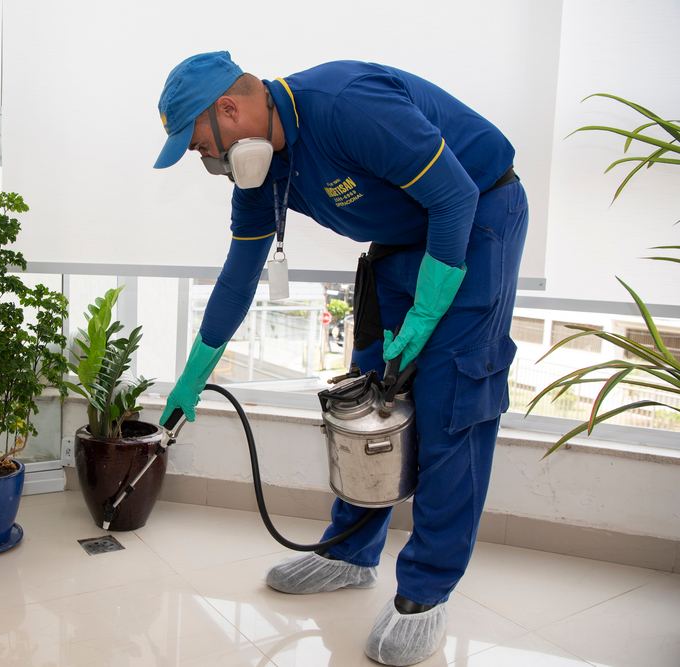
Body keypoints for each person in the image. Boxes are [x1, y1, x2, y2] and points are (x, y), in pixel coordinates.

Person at [154, 52, 528, 667]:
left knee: (453, 400)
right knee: (366, 400)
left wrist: (429, 311)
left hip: (478, 216)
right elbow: (239, 275)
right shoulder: (262, 170)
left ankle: (426, 591)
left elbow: (455, 196)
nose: (208, 164)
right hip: (403, 241)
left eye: (202, 148)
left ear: (229, 109)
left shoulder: (346, 103)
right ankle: (351, 551)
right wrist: (192, 378)